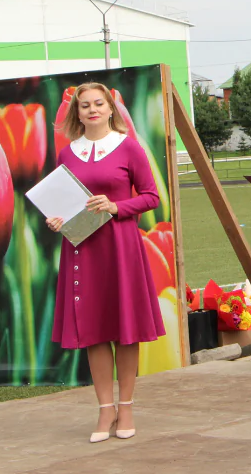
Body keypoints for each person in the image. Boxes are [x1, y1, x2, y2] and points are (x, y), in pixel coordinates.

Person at [46, 82, 166, 443]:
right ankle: (105, 410)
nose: (92, 109)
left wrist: (116, 207)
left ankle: (126, 407)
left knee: (125, 328)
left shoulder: (129, 147)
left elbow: (151, 197)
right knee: (93, 330)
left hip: (120, 247)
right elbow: (63, 202)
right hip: (82, 248)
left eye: (99, 103)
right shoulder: (67, 154)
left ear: (111, 109)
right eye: (85, 105)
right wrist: (56, 219)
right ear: (77, 113)